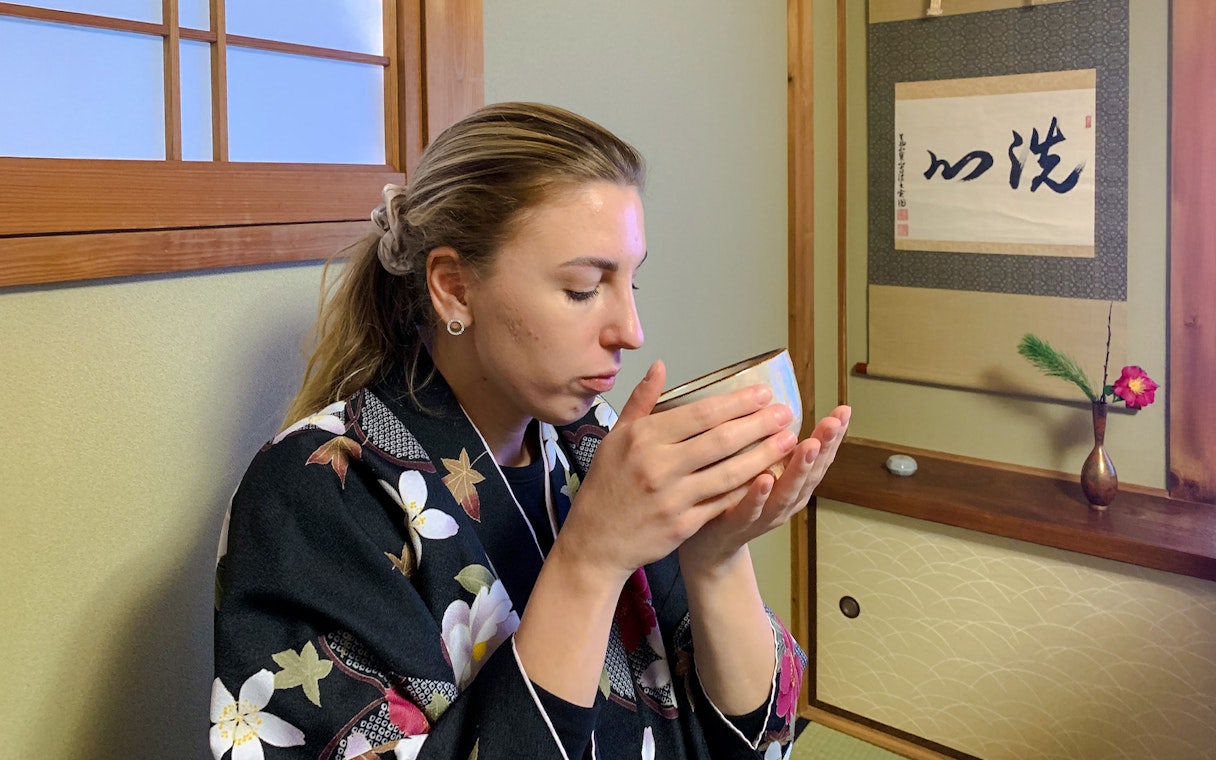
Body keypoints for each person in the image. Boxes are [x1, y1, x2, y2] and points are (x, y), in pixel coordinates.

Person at [212, 102, 851, 760]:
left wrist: (715, 556)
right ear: (454, 288)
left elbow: (752, 741)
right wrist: (588, 562)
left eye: (632, 281)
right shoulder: (320, 490)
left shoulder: (589, 443)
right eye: (582, 288)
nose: (630, 331)